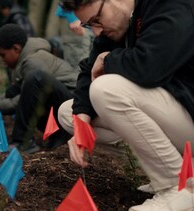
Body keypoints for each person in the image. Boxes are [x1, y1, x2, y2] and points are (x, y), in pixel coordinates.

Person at [57, 0, 194, 210]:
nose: (96, 32)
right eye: (89, 25)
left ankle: (181, 189)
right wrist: (82, 120)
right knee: (69, 114)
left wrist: (108, 59)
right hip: (177, 116)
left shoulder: (170, 5)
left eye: (97, 20)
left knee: (105, 90)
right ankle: (169, 169)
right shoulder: (117, 25)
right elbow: (89, 69)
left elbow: (150, 67)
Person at [0, 24, 78, 153]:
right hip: (60, 101)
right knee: (17, 89)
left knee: (34, 80)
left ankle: (23, 142)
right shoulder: (24, 59)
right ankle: (58, 136)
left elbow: (27, 98)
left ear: (16, 48)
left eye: (3, 55)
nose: (2, 60)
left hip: (72, 106)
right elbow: (15, 91)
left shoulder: (33, 61)